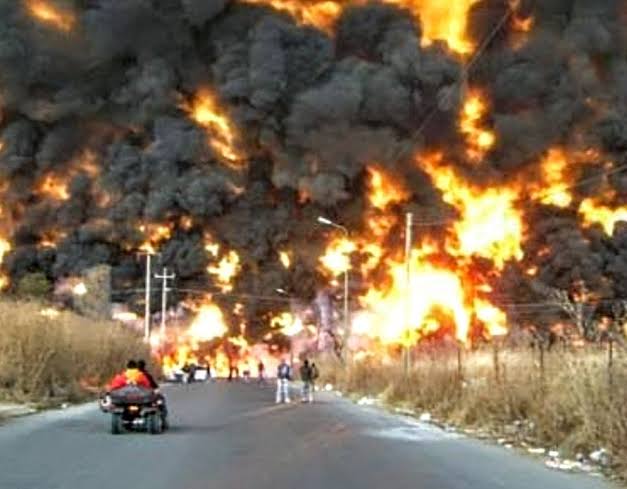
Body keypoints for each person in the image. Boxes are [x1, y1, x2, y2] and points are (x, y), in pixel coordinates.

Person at [137, 359, 169, 424]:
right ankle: (163, 419)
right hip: (145, 397)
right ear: (144, 366)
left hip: (133, 396)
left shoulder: (132, 375)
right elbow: (154, 386)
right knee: (160, 399)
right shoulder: (146, 375)